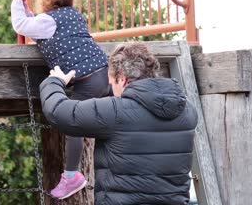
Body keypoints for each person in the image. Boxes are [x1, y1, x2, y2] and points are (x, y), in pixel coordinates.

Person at [39, 42, 198, 205]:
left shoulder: (115, 111)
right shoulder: (187, 112)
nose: (111, 89)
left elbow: (59, 112)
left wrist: (54, 82)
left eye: (111, 83)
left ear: (121, 78)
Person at [10, 0, 111, 199]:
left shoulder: (48, 21)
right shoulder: (73, 15)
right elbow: (39, 27)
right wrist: (26, 9)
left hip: (88, 81)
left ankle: (71, 176)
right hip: (104, 73)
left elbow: (21, 26)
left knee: (73, 123)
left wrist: (16, 0)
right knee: (110, 122)